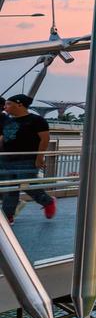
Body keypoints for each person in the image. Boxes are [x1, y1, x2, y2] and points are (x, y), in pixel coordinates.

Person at [0, 94, 57, 224]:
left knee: (29, 185)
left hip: (26, 159)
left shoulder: (36, 120)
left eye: (9, 104)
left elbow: (45, 139)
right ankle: (7, 216)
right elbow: (3, 137)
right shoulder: (7, 120)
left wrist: (39, 157)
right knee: (10, 189)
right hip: (6, 160)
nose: (5, 107)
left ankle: (48, 201)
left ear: (20, 104)